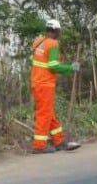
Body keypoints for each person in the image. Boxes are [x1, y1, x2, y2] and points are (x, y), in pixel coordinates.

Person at [29, 19, 81, 154]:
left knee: (49, 112)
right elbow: (53, 66)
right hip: (45, 84)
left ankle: (59, 141)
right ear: (57, 31)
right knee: (44, 113)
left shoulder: (38, 42)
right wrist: (71, 68)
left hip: (37, 82)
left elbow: (36, 61)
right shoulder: (52, 44)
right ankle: (39, 145)